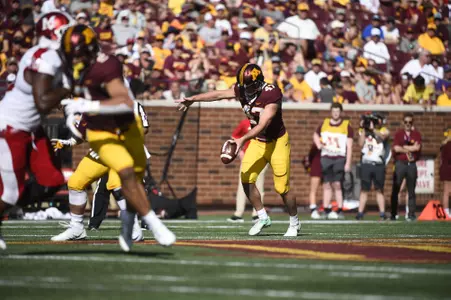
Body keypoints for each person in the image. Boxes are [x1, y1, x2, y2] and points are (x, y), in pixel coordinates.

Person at [60, 25, 175, 252]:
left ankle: (137, 226)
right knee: (91, 180)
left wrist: (86, 104)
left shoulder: (108, 65)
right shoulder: (70, 67)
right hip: (100, 135)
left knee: (124, 181)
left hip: (125, 132)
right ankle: (79, 227)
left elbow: (124, 102)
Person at [176, 63, 300, 237]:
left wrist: (242, 139)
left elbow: (264, 123)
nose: (246, 90)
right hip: (258, 141)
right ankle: (263, 216)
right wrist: (193, 99)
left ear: (258, 82)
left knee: (281, 187)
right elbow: (219, 94)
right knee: (246, 178)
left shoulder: (271, 93)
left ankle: (294, 222)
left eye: (250, 86)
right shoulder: (242, 89)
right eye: (244, 87)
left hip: (277, 142)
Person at [0, 11, 75, 250]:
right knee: (10, 194)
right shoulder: (47, 57)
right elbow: (43, 101)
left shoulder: (53, 56)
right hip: (12, 126)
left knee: (52, 180)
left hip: (31, 128)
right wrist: (70, 87)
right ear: (55, 32)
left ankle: (12, 208)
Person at [313, 103, 353, 219]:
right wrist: (319, 144)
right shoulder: (324, 123)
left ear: (341, 112)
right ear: (331, 112)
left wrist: (348, 162)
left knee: (337, 184)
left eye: (338, 111)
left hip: (339, 157)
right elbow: (315, 134)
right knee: (326, 184)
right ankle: (326, 208)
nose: (336, 113)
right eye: (334, 111)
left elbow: (349, 146)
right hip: (326, 157)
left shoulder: (346, 126)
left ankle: (340, 209)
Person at [227, 119, 268, 223]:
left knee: (259, 186)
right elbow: (235, 136)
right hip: (247, 158)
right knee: (242, 185)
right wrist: (239, 151)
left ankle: (257, 214)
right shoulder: (245, 122)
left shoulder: (266, 121)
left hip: (262, 158)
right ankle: (238, 213)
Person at [356, 114, 390, 220]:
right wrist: (364, 129)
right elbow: (360, 144)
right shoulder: (363, 131)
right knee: (364, 189)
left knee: (379, 189)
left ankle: (382, 213)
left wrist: (373, 129)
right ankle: (360, 213)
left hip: (378, 164)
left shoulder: (384, 130)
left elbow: (383, 137)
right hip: (366, 163)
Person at [390, 113, 421, 221]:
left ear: (412, 123)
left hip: (411, 164)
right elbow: (396, 148)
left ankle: (411, 214)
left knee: (411, 190)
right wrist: (409, 148)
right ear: (403, 122)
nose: (408, 124)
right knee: (396, 189)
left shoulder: (416, 134)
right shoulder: (399, 134)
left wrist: (403, 147)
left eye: (410, 122)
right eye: (406, 122)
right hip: (400, 164)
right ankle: (393, 213)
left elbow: (417, 148)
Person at [302, 144, 322, 219]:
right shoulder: (318, 140)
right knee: (314, 189)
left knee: (327, 188)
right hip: (317, 165)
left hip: (327, 165)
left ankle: (327, 208)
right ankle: (313, 209)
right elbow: (311, 154)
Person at [440, 127, 451, 218]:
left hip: (446, 168)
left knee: (447, 191)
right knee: (447, 191)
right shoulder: (448, 144)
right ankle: (446, 211)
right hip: (448, 169)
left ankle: (447, 210)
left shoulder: (444, 144)